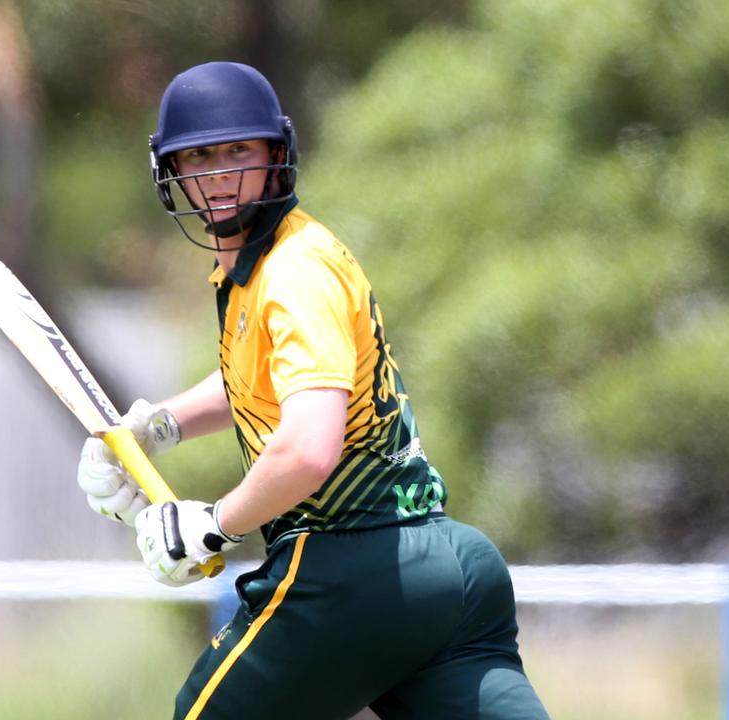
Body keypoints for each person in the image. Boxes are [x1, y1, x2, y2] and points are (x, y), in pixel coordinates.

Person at [75, 61, 549, 720]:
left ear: (277, 156)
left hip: (350, 563)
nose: (215, 173)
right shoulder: (266, 267)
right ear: (172, 172)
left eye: (236, 150)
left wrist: (212, 526)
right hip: (451, 569)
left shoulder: (292, 272)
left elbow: (307, 449)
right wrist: (155, 430)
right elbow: (263, 382)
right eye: (198, 156)